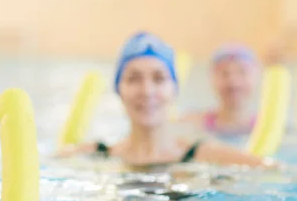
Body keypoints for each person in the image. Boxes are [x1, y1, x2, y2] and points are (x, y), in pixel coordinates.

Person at [58, 32, 273, 168]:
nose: (147, 90)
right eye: (134, 78)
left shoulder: (208, 156)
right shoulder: (91, 157)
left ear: (174, 90)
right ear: (118, 89)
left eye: (159, 78)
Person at [182, 44, 258, 136]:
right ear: (213, 79)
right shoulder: (192, 124)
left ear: (255, 77)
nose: (233, 82)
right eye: (225, 74)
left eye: (242, 72)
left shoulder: (268, 128)